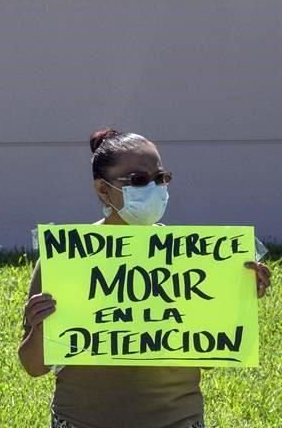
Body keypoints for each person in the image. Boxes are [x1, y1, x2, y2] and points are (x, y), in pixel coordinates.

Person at [18, 128, 272, 428]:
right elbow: (34, 367)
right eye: (138, 180)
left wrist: (234, 299)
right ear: (103, 189)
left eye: (160, 177)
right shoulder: (67, 259)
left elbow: (208, 357)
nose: (153, 187)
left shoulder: (190, 260)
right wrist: (40, 325)